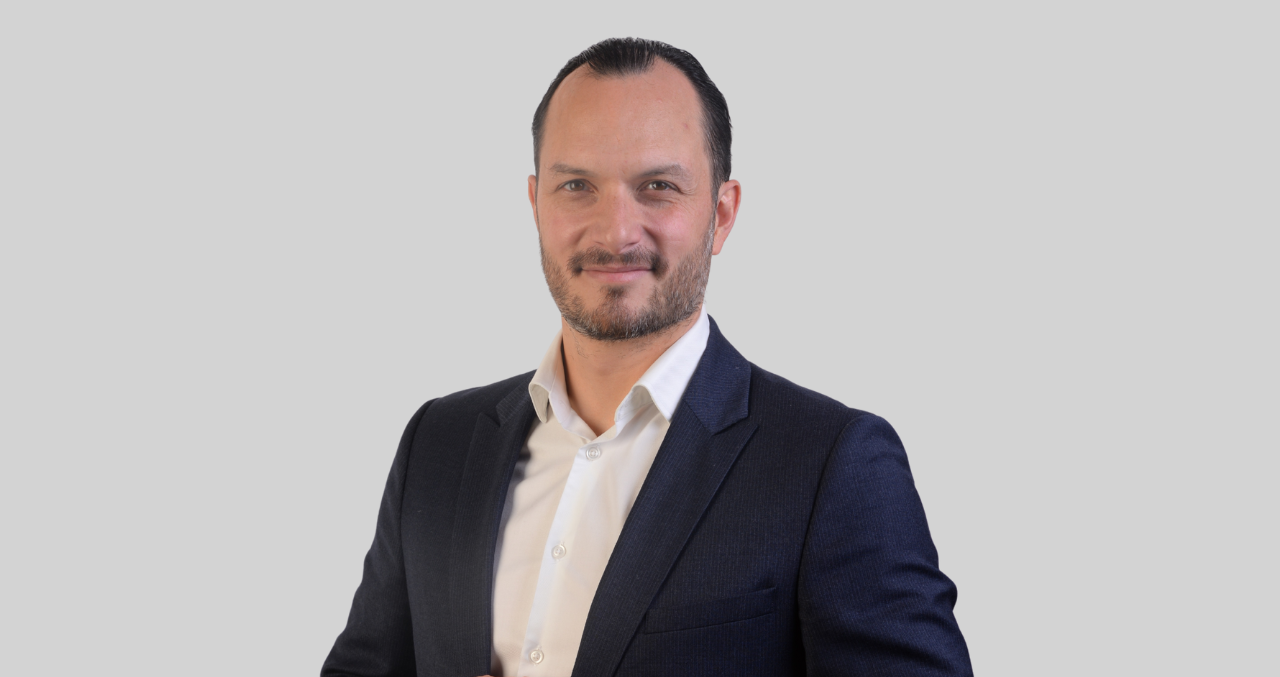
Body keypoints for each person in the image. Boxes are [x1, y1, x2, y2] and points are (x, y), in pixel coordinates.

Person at [321, 38, 972, 677]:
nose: (616, 231)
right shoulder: (438, 443)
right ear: (535, 204)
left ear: (721, 214)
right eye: (577, 185)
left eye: (658, 186)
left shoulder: (832, 464)